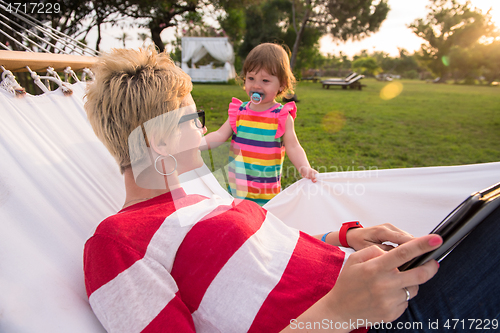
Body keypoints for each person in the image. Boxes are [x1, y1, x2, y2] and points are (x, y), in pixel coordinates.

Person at [83, 47, 500, 333]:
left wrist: (346, 237)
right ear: (158, 141)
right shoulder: (118, 243)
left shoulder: (200, 201)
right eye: (195, 118)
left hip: (386, 295)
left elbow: (268, 253)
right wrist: (336, 313)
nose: (204, 128)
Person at [202, 43, 317, 206]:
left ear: (282, 85)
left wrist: (304, 167)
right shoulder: (239, 111)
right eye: (251, 78)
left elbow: (293, 147)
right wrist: (194, 145)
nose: (256, 85)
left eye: (265, 80)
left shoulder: (281, 116)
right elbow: (220, 135)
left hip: (266, 193)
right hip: (236, 190)